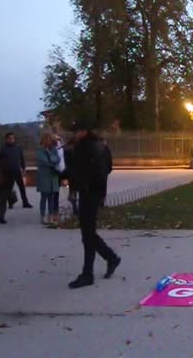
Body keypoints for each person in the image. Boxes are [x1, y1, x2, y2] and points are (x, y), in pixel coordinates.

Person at [68, 122, 120, 289]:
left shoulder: (86, 147)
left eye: (76, 132)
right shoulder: (100, 145)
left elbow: (79, 171)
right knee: (88, 232)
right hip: (95, 192)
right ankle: (110, 257)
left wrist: (75, 179)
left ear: (83, 131)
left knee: (87, 234)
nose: (74, 135)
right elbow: (109, 168)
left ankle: (88, 273)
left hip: (89, 192)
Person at [1, 133, 33, 209]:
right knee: (8, 189)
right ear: (6, 139)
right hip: (7, 172)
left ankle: (25, 202)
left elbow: (22, 159)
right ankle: (9, 203)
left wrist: (24, 168)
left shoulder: (18, 148)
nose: (11, 139)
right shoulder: (3, 149)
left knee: (22, 188)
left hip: (17, 171)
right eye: (9, 138)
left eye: (12, 138)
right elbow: (0, 161)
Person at [36, 133, 60, 225]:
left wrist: (51, 159)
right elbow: (44, 161)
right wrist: (52, 160)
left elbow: (57, 159)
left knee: (51, 197)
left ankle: (50, 215)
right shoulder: (40, 150)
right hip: (44, 176)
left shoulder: (54, 149)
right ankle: (42, 216)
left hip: (53, 176)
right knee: (44, 197)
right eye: (48, 139)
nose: (50, 141)